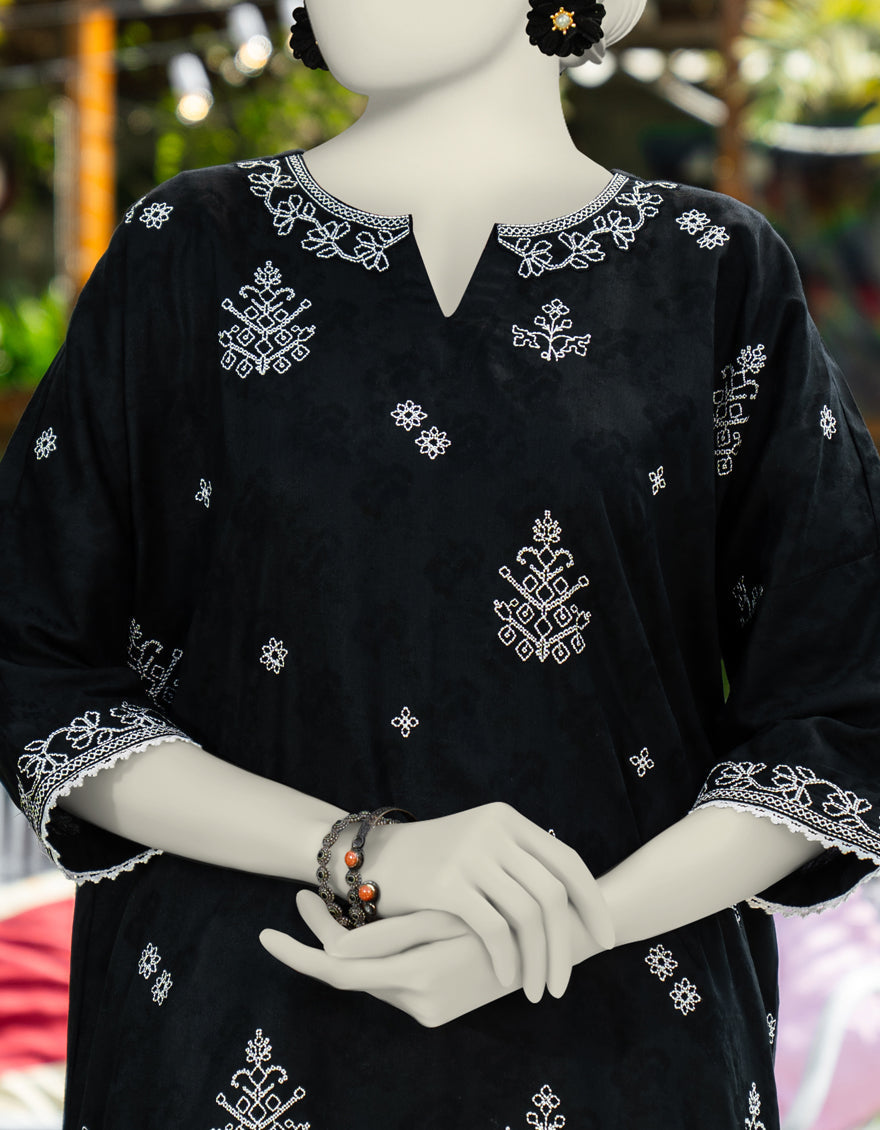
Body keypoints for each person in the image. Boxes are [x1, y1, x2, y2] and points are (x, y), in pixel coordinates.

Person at [1, 0, 879, 1125]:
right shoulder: (186, 249)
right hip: (224, 1028)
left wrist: (568, 925)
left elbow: (839, 699)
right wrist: (357, 852)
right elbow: (35, 656)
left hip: (625, 1043)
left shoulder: (712, 273)